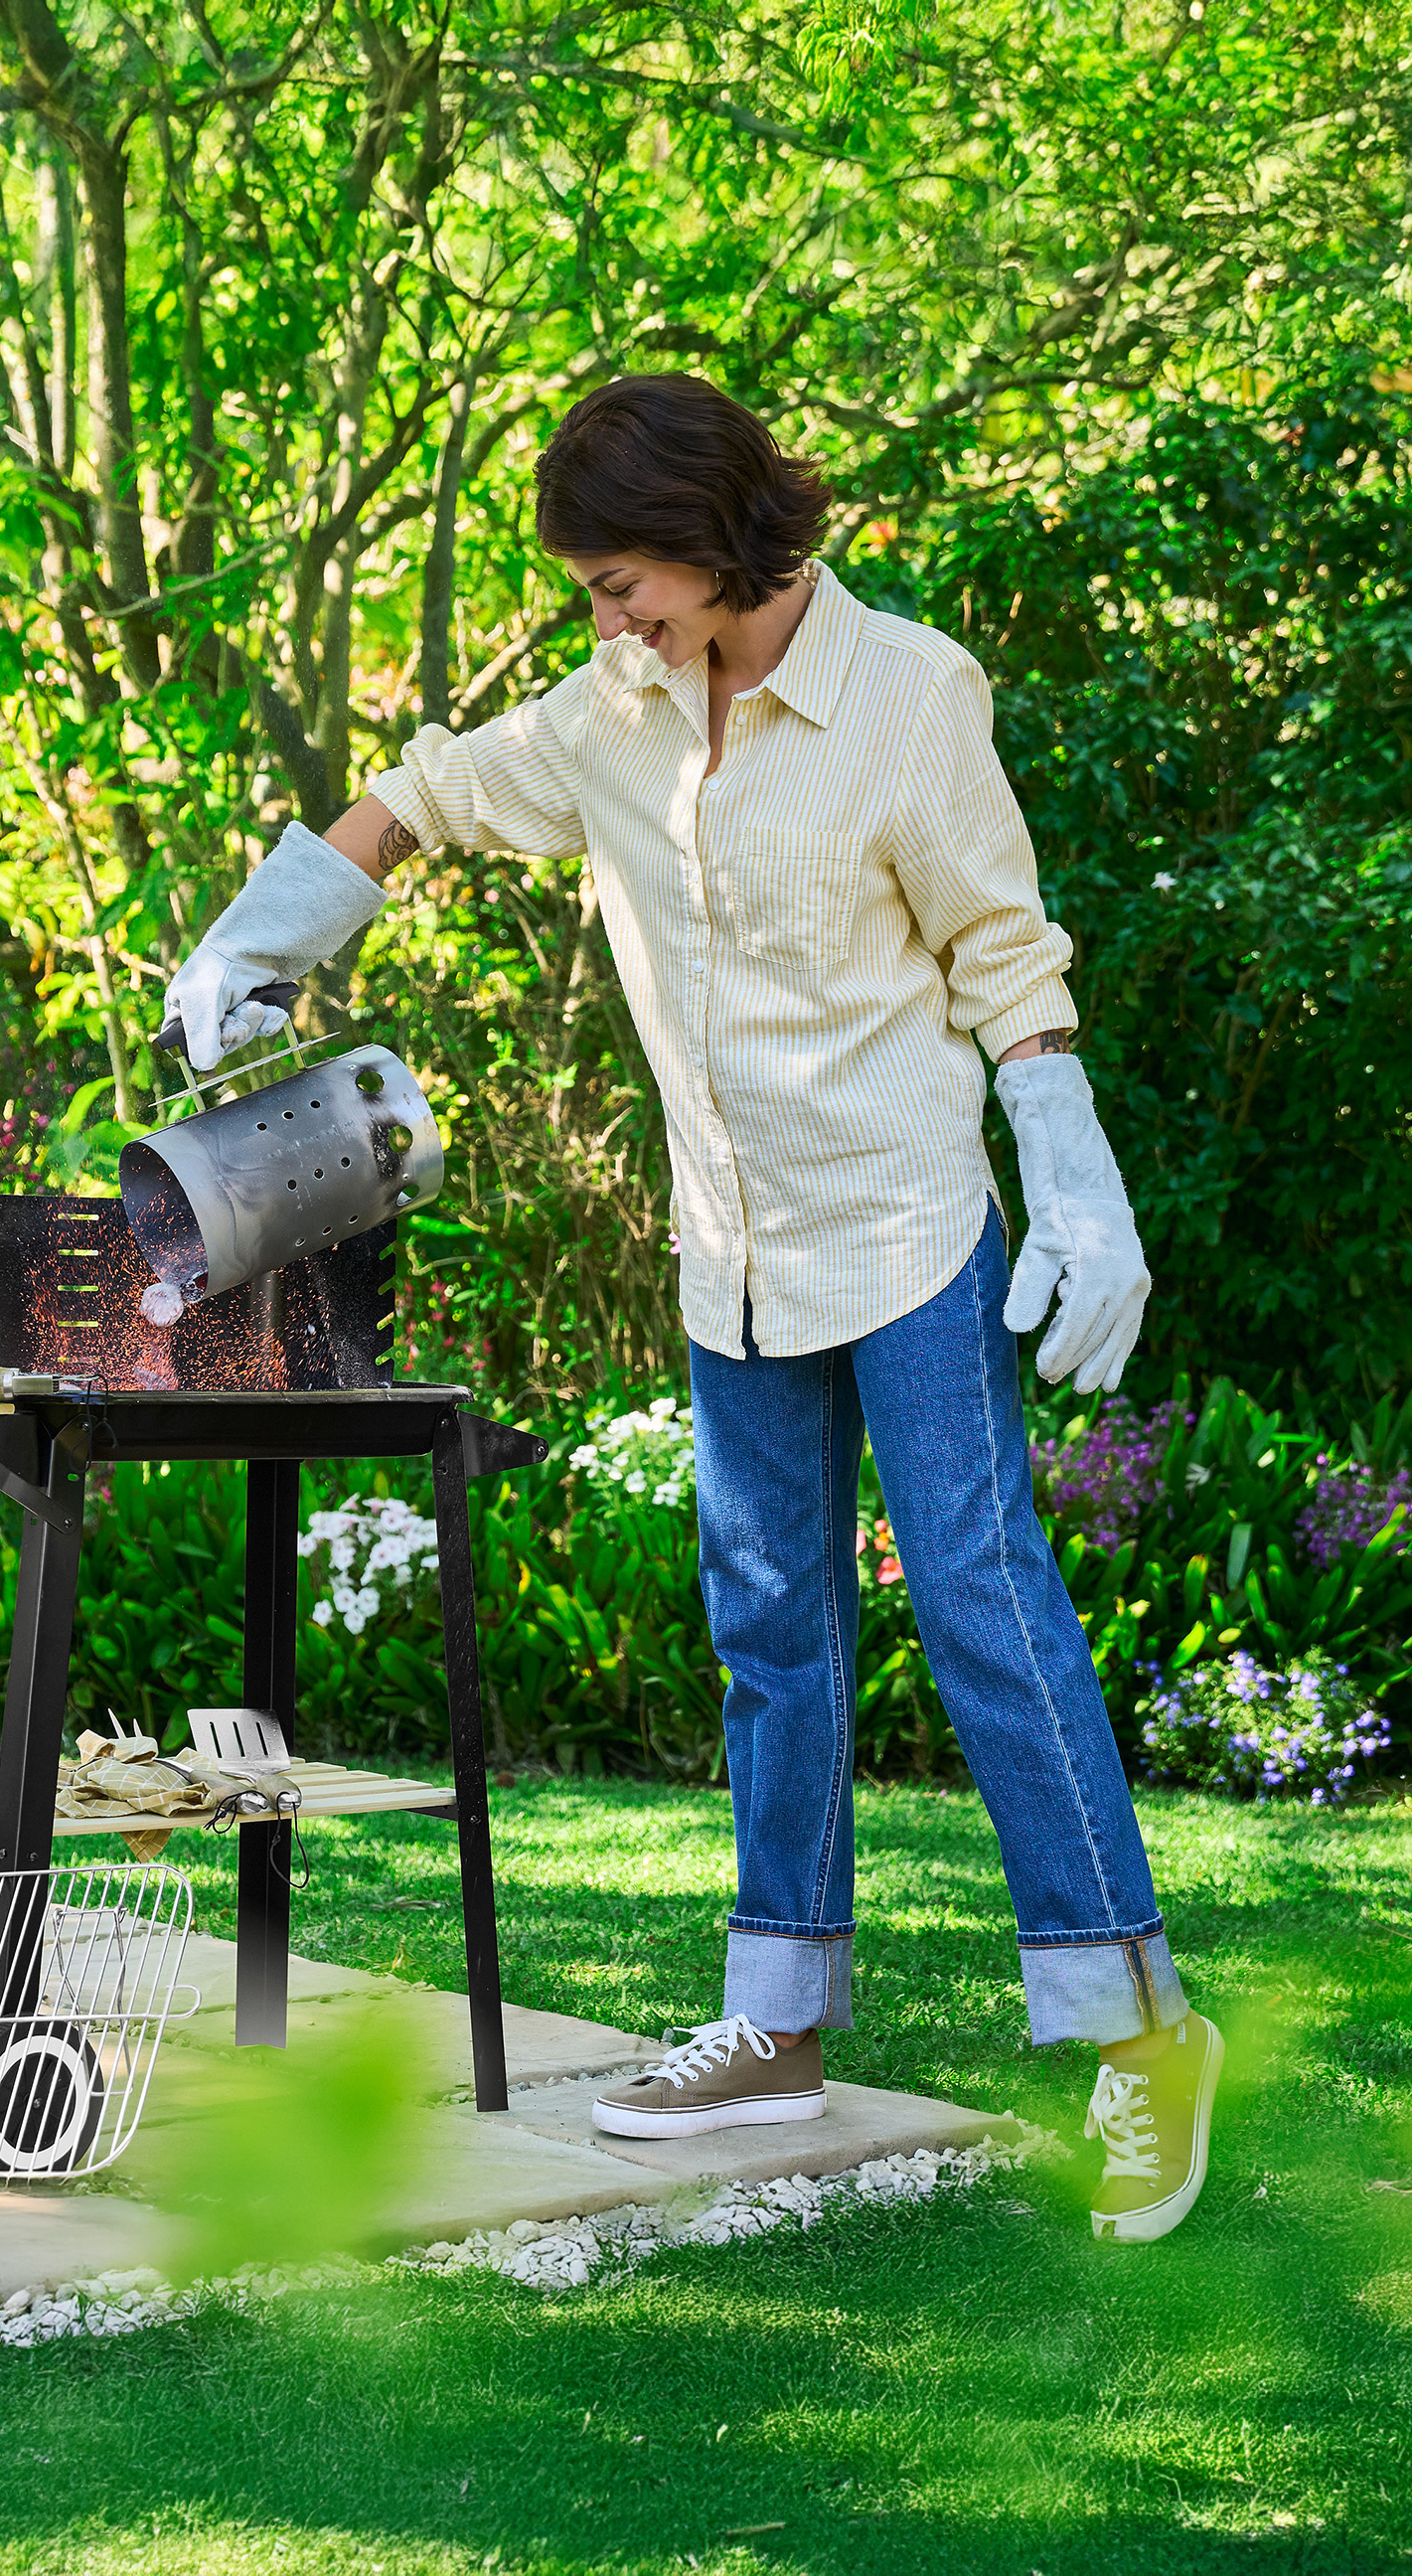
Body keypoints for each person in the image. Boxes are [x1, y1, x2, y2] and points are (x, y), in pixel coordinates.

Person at [165, 373, 1221, 2245]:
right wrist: (255, 940)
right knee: (769, 1629)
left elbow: (1001, 952)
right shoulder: (618, 718)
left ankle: (1134, 2029)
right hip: (730, 1245)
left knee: (981, 1600)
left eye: (625, 582)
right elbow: (420, 797)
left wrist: (1073, 1175)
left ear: (727, 542)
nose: (607, 620)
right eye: (591, 593)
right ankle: (777, 2016)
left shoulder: (911, 698)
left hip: (904, 1228)